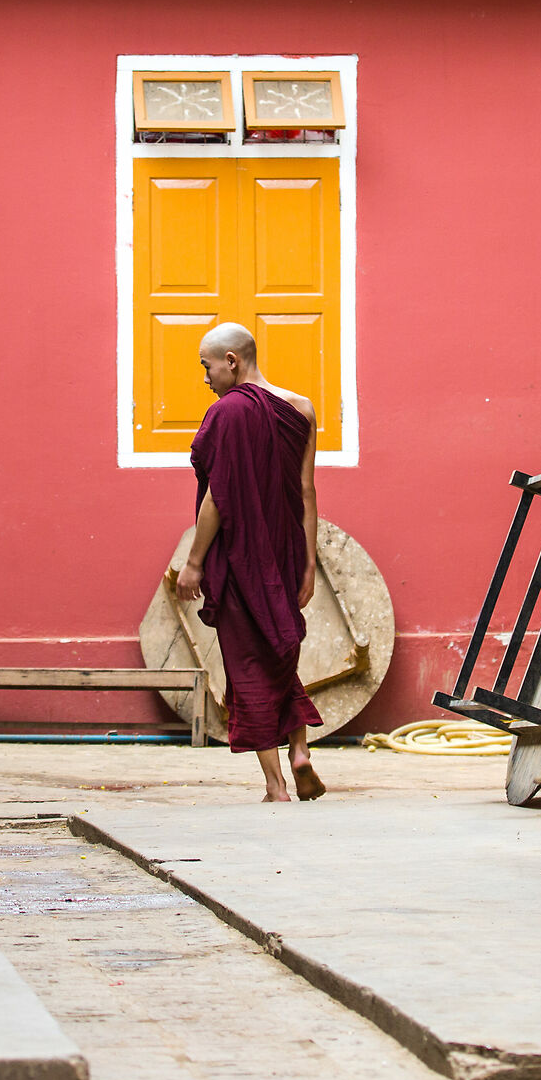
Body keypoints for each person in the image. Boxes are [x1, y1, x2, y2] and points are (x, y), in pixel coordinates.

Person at [173, 323, 325, 802]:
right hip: (283, 551)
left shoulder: (227, 413)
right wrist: (306, 564)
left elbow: (219, 494)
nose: (206, 377)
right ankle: (300, 750)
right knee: (279, 650)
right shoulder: (300, 408)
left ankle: (276, 784)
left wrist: (194, 561)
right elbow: (306, 492)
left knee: (246, 665)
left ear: (232, 361)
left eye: (207, 366)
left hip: (240, 554)